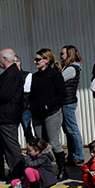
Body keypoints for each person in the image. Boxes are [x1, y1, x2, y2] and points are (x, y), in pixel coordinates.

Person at [28, 48, 68, 180]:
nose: (35, 62)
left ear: (47, 60)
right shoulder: (35, 76)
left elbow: (62, 93)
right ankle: (44, 170)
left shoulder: (54, 74)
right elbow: (32, 94)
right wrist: (31, 106)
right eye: (35, 59)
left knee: (54, 142)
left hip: (52, 113)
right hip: (37, 114)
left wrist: (49, 104)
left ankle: (62, 170)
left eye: (38, 59)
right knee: (40, 144)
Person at [0, 49, 26, 178]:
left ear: (5, 59)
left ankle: (18, 174)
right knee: (8, 147)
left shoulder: (11, 74)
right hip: (5, 115)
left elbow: (3, 95)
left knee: (11, 147)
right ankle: (15, 172)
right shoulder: (10, 73)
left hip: (7, 116)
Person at [59, 45, 86, 167]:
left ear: (69, 54)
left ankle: (79, 156)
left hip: (67, 102)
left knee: (72, 130)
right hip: (66, 101)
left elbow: (58, 81)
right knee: (68, 130)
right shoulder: (69, 68)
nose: (61, 56)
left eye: (63, 53)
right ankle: (72, 155)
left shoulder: (71, 68)